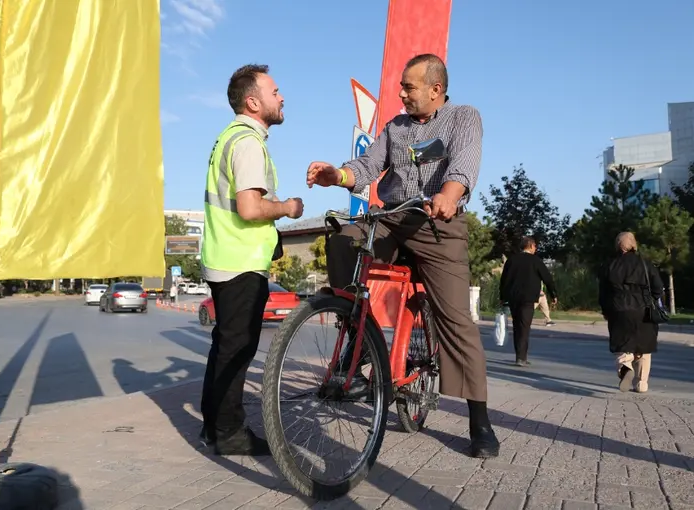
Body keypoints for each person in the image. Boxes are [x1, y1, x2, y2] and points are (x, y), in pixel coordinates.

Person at [306, 53, 499, 459]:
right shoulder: (394, 127)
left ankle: (479, 421)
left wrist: (449, 194)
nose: (400, 94)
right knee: (342, 237)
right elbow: (367, 165)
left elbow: (464, 163)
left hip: (437, 224)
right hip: (392, 219)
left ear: (435, 89)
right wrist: (337, 176)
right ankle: (355, 345)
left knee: (456, 320)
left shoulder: (464, 117)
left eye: (408, 87)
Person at [200, 64, 304, 456]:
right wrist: (288, 208)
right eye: (275, 91)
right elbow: (249, 207)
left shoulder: (228, 138)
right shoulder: (247, 143)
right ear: (253, 101)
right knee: (237, 350)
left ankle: (213, 427)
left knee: (224, 346)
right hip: (240, 260)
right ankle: (229, 433)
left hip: (224, 256)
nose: (281, 97)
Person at [599, 232, 663, 393]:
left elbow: (603, 292)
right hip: (643, 309)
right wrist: (653, 300)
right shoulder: (645, 264)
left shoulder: (609, 265)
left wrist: (606, 310)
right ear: (634, 244)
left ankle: (625, 367)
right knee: (644, 346)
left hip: (619, 308)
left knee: (623, 343)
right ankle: (641, 384)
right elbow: (658, 287)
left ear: (617, 245)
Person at [499, 236, 557, 366]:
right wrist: (553, 294)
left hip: (513, 298)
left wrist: (502, 297)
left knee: (517, 326)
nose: (536, 248)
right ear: (530, 246)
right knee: (524, 327)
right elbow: (547, 278)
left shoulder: (512, 260)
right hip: (528, 298)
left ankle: (519, 355)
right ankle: (521, 357)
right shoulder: (535, 261)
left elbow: (504, 280)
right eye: (535, 246)